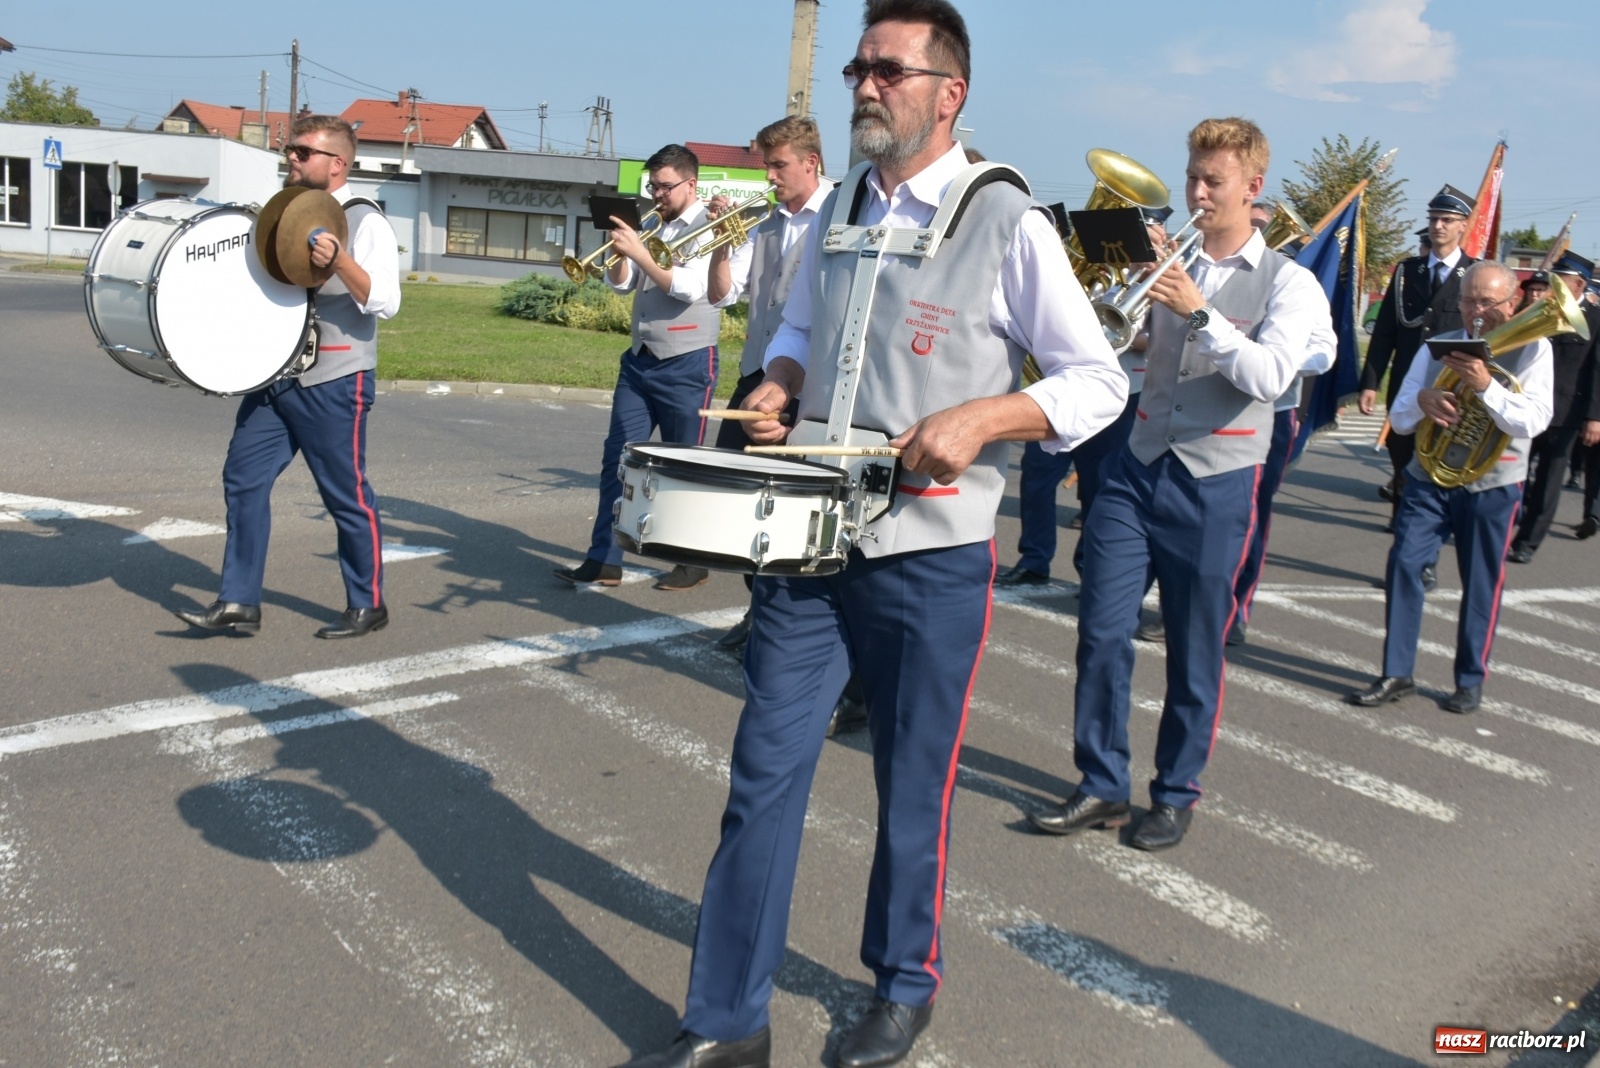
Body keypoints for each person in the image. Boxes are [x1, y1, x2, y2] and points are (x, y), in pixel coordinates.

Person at [615, 4, 1126, 1066]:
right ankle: (725, 1020)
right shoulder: (840, 199)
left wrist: (985, 417)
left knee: (911, 783)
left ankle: (902, 985)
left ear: (950, 91)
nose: (862, 85)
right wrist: (777, 381)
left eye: (886, 69)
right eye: (857, 66)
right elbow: (801, 326)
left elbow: (1095, 381)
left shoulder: (1006, 218)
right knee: (761, 770)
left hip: (931, 551)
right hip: (810, 540)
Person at [1027, 117, 1331, 854]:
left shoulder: (1289, 284)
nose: (1196, 193)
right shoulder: (1170, 262)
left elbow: (1267, 375)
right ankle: (1100, 782)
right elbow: (1125, 345)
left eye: (1213, 182)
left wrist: (1198, 310)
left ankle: (1174, 792)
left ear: (1253, 188)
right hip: (1137, 463)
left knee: (1196, 648)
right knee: (1101, 630)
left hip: (1218, 476)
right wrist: (1118, 307)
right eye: (1193, 177)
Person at [174, 115, 400, 639]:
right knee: (243, 478)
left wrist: (341, 261)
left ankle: (369, 605)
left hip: (336, 379)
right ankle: (238, 600)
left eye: (302, 153)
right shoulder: (282, 213)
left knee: (346, 493)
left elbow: (386, 301)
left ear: (336, 164)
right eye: (290, 151)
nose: (290, 160)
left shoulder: (366, 221)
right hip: (275, 376)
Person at [1346, 261, 1553, 713]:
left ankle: (1469, 679)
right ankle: (1396, 672)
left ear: (1512, 302)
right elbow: (1399, 418)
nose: (1475, 312)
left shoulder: (1534, 350)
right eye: (1467, 302)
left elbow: (1534, 420)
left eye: (1487, 302)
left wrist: (1485, 388)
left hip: (1494, 484)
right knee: (1403, 563)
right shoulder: (1439, 346)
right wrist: (1421, 399)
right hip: (1430, 479)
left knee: (1481, 582)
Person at [553, 144, 751, 592]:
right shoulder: (651, 223)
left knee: (683, 470)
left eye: (665, 186)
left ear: (690, 183)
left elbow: (690, 288)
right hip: (640, 360)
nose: (657, 194)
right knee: (617, 461)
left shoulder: (712, 225)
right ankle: (604, 558)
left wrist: (641, 253)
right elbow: (621, 286)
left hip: (689, 359)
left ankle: (691, 561)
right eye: (653, 186)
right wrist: (622, 251)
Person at [706, 116, 831, 647]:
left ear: (812, 163)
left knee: (788, 508)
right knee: (735, 496)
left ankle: (783, 622)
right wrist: (716, 243)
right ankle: (760, 608)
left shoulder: (839, 215)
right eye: (766, 165)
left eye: (778, 165)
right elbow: (721, 296)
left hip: (809, 386)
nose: (769, 177)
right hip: (757, 373)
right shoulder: (764, 222)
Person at [996, 208, 1167, 587]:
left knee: (1098, 485)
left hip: (1120, 396)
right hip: (1061, 387)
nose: (1146, 245)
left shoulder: (1161, 283)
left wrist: (1123, 335)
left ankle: (1090, 566)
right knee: (1037, 478)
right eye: (1143, 236)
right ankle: (1034, 559)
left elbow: (1162, 342)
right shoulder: (1098, 274)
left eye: (1154, 237)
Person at [1360, 187, 1478, 555]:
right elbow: (1386, 333)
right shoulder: (1407, 270)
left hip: (1451, 392)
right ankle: (1405, 535)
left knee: (1437, 472)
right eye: (1433, 219)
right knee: (1403, 464)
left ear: (1462, 226)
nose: (1437, 226)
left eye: (1446, 220)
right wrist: (1370, 382)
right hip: (1407, 389)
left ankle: (1422, 552)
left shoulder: (1474, 273)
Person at [1509, 253, 1600, 563]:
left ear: (1580, 285)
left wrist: (1594, 417)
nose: (1552, 286)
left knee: (1549, 481)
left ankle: (1527, 543)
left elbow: (1597, 371)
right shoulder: (1540, 311)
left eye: (1560, 281)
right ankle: (1504, 522)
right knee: (1511, 471)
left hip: (1566, 414)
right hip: (1529, 404)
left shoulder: (1597, 318)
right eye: (1552, 280)